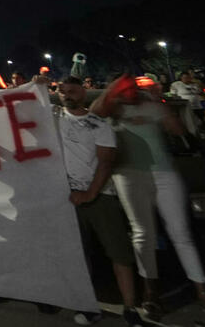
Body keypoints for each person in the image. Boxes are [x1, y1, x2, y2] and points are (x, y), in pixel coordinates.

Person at [91, 75, 205, 320]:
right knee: (143, 233)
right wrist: (112, 92)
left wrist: (159, 104)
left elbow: (178, 130)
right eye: (126, 88)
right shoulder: (111, 108)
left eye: (133, 87)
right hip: (128, 175)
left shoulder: (153, 104)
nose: (131, 91)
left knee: (181, 234)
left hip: (164, 173)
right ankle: (150, 292)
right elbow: (94, 113)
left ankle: (203, 292)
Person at [54, 77, 143, 326]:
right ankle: (88, 304)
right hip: (67, 197)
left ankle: (130, 307)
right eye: (63, 92)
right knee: (79, 255)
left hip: (100, 196)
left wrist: (91, 193)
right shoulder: (51, 118)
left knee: (118, 252)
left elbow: (105, 162)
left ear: (84, 93)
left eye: (73, 91)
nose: (67, 95)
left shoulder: (99, 124)